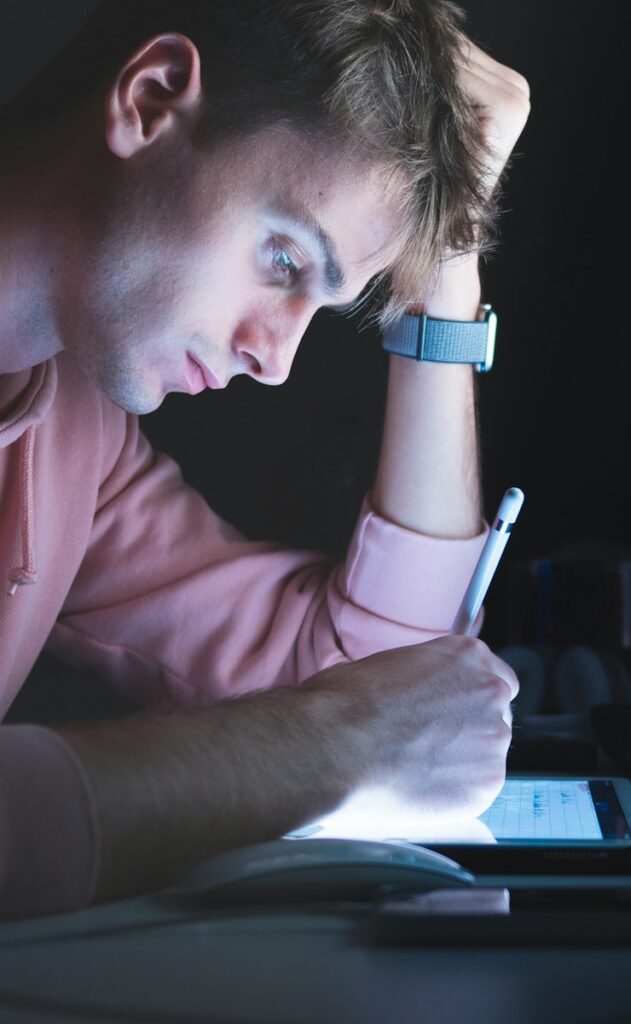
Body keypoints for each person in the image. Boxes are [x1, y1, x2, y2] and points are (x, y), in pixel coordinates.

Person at [0, 0, 529, 917]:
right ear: (151, 99)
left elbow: (388, 686)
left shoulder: (76, 442)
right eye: (283, 260)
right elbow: (359, 720)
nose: (275, 361)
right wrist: (334, 741)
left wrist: (447, 255)